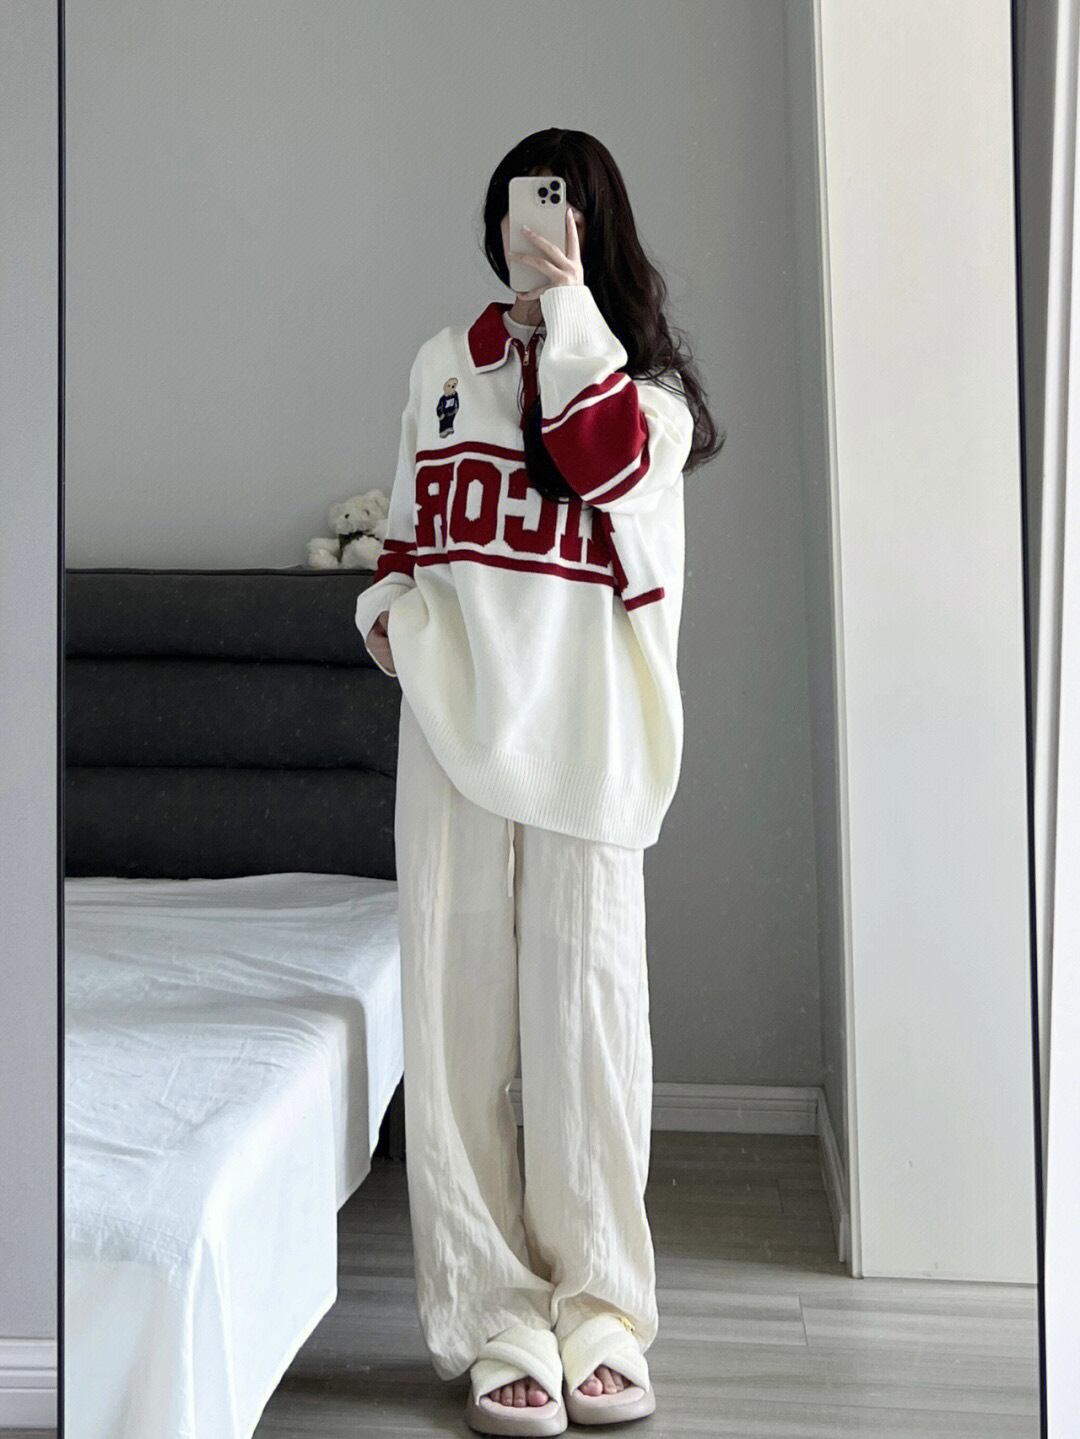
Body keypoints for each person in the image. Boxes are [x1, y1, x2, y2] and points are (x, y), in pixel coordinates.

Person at [355, 128, 723, 1436]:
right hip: (455, 733)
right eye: (520, 204)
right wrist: (389, 616)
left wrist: (568, 315)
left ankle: (600, 1308)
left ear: (592, 225)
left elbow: (598, 459)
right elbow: (408, 524)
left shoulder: (650, 399)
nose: (534, 224)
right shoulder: (440, 365)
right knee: (456, 1030)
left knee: (589, 1029)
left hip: (588, 741)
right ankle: (495, 1316)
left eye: (559, 207)